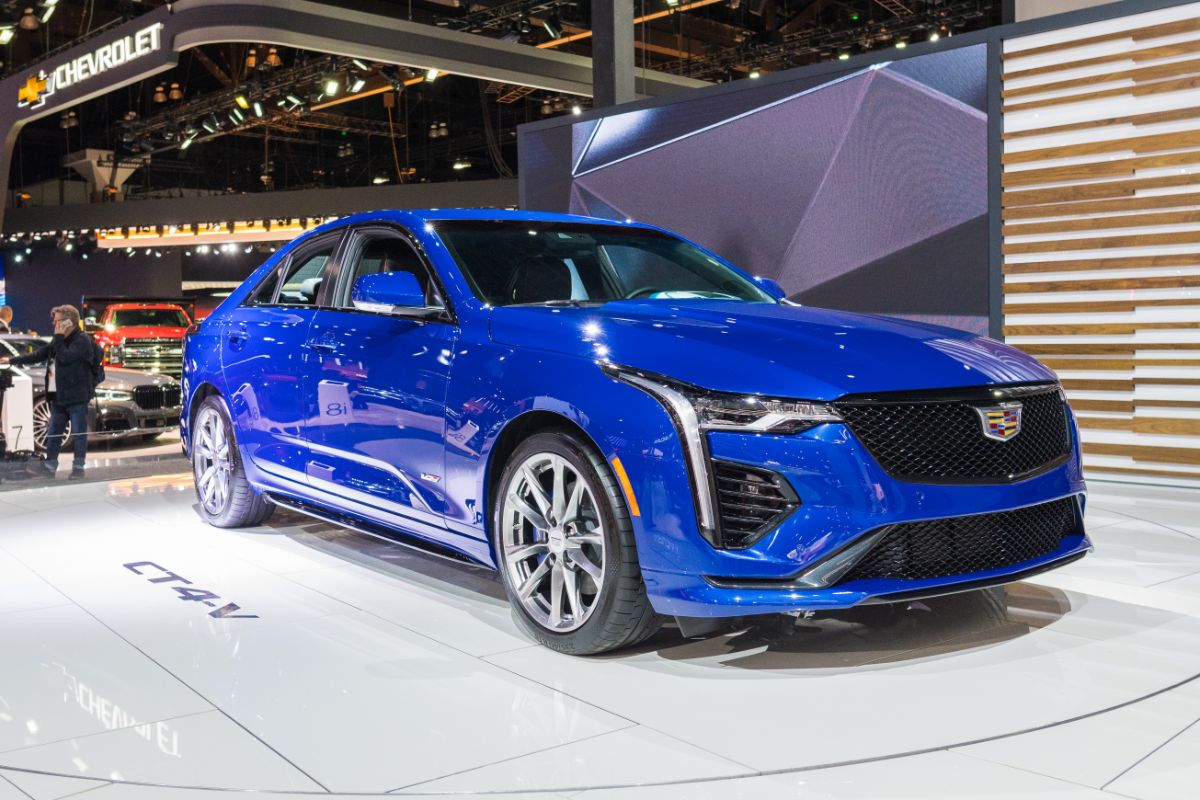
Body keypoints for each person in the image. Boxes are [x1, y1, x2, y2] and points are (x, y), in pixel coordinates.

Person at [0, 305, 95, 479]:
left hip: (76, 397)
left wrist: (58, 336)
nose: (53, 323)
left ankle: (78, 468)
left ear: (68, 322)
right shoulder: (58, 340)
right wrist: (12, 359)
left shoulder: (82, 340)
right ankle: (50, 466)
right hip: (58, 396)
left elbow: (65, 357)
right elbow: (39, 354)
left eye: (57, 320)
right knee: (54, 433)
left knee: (79, 433)